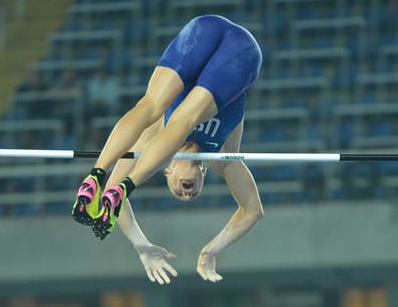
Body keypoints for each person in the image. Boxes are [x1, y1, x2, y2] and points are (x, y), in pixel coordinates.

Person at [72, 14, 263, 284]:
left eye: (179, 191)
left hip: (204, 30)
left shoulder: (152, 138)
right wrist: (211, 250)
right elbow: (253, 209)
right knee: (174, 117)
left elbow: (111, 194)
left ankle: (97, 175)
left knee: (154, 109)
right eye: (192, 193)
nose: (187, 194)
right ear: (204, 175)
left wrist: (141, 245)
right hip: (240, 53)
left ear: (167, 170)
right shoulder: (222, 157)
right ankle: (112, 179)